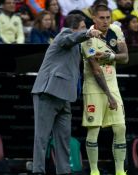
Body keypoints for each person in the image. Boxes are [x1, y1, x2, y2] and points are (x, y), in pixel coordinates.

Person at [31, 14, 101, 175]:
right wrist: (88, 33)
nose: (85, 29)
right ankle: (38, 171)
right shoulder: (64, 35)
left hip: (65, 97)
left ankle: (64, 171)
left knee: (63, 139)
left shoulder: (78, 45)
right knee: (41, 137)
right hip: (47, 93)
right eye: (83, 27)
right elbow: (71, 39)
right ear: (74, 28)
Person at [80, 4, 129, 175]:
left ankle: (120, 171)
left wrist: (111, 56)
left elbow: (125, 57)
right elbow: (96, 70)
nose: (106, 21)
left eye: (108, 17)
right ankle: (94, 171)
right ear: (94, 18)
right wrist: (109, 96)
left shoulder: (116, 30)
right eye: (101, 18)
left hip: (113, 86)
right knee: (94, 129)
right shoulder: (87, 38)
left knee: (120, 128)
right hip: (94, 88)